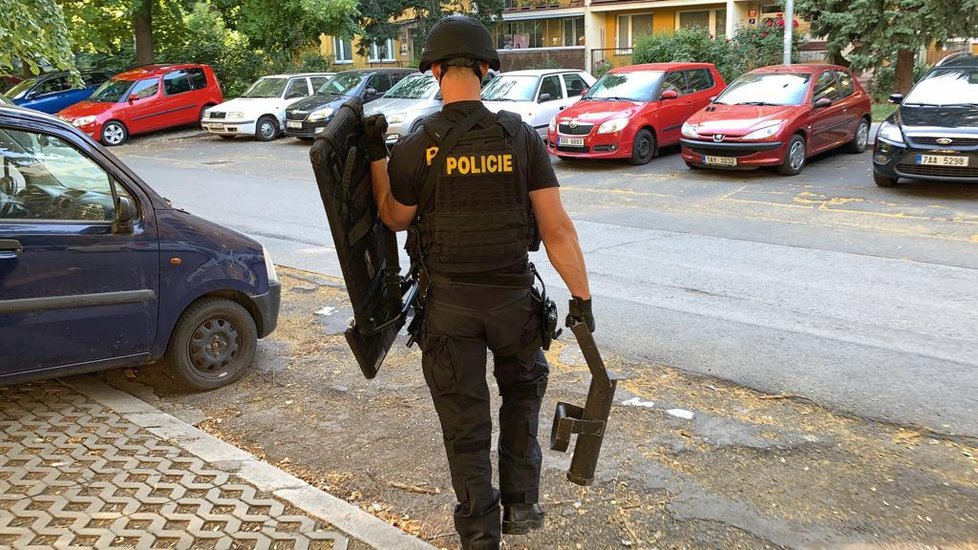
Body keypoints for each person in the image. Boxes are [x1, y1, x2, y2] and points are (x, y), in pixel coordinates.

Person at [362, 14, 594, 550]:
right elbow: (556, 228)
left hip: (449, 310)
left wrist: (377, 158)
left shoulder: (419, 144)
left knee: (466, 427)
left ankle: (480, 537)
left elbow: (394, 218)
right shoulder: (519, 137)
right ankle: (522, 504)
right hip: (514, 302)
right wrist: (582, 298)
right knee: (521, 398)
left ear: (436, 70)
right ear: (487, 70)